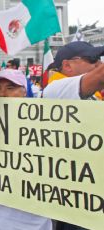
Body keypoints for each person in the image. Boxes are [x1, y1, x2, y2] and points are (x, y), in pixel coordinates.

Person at [0, 69, 52, 230]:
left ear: (24, 91)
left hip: (30, 223)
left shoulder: (45, 126)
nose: (3, 94)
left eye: (10, 88)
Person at [42, 42, 103, 230]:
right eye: (93, 59)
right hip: (77, 194)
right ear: (67, 65)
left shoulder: (91, 94)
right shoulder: (55, 89)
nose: (98, 64)